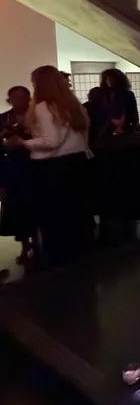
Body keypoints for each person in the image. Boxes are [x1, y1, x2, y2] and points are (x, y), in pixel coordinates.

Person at [6, 66, 91, 269]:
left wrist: (24, 142)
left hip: (53, 168)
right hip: (77, 163)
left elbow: (51, 140)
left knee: (55, 220)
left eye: (34, 82)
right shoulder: (73, 105)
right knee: (75, 216)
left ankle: (57, 265)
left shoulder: (44, 107)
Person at [0, 86, 33, 266]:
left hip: (35, 164)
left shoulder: (36, 116)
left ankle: (38, 240)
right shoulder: (4, 118)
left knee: (36, 204)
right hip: (12, 166)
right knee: (17, 207)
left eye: (22, 97)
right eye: (14, 97)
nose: (18, 101)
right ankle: (24, 244)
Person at [99, 68, 140, 137]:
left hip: (124, 130)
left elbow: (134, 114)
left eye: (111, 78)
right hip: (105, 130)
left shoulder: (128, 94)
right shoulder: (103, 94)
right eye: (107, 78)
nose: (108, 81)